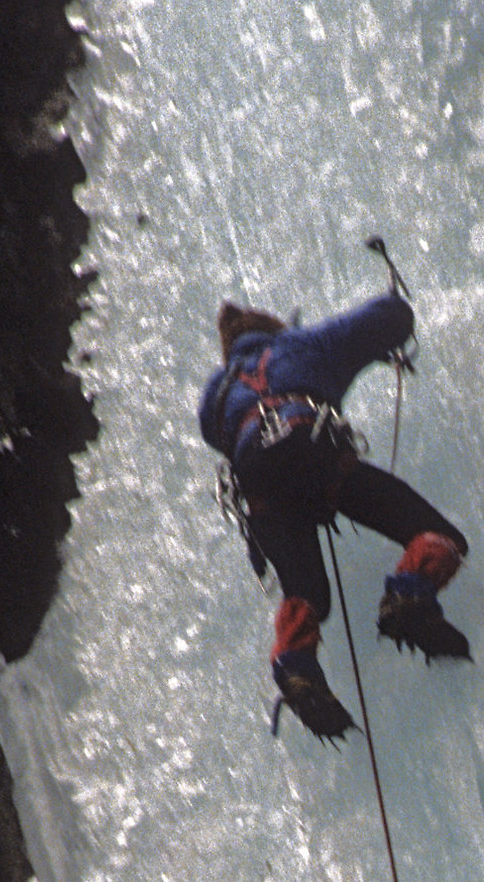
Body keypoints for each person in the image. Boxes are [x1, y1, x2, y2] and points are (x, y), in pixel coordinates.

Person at [199, 290, 470, 740]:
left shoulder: (216, 393)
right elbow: (391, 317)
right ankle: (410, 594)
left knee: (307, 595)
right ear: (274, 329)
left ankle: (295, 662)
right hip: (316, 457)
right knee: (437, 536)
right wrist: (390, 324)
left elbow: (217, 430)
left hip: (262, 491)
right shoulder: (302, 344)